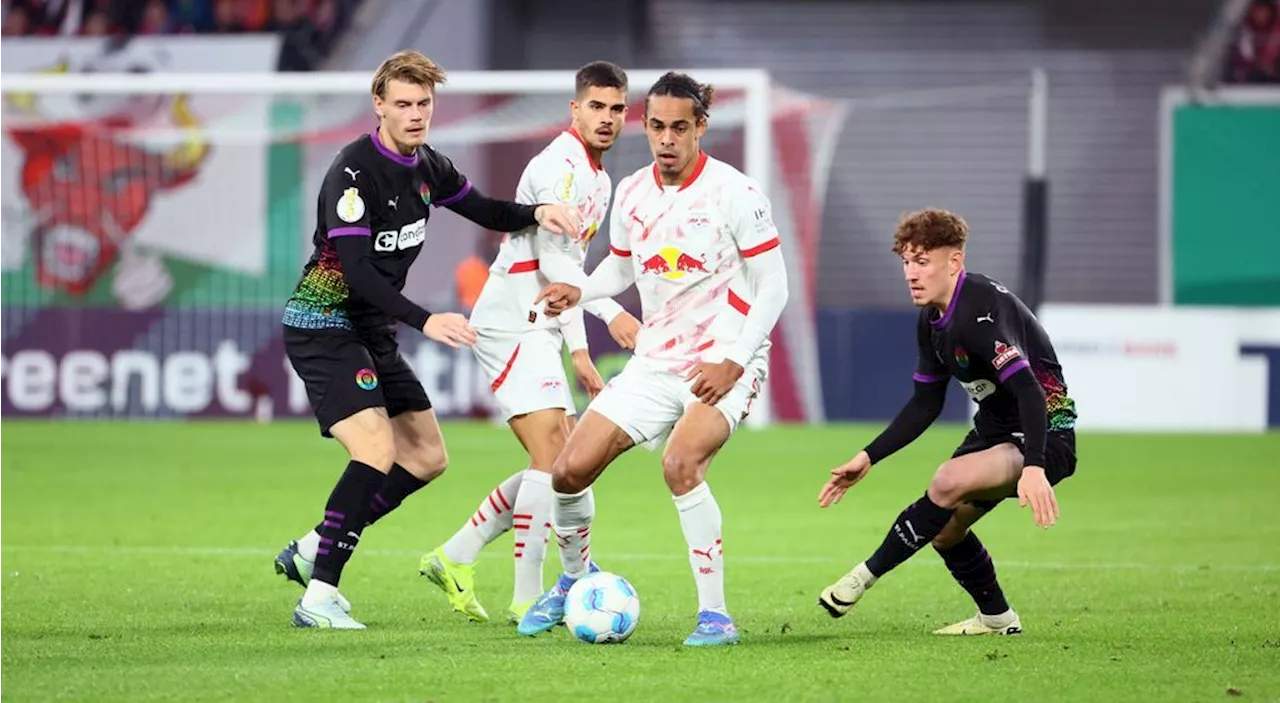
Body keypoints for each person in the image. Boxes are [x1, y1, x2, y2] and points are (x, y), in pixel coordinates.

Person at [272, 50, 580, 630]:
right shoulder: (353, 173)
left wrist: (539, 212)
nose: (416, 115)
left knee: (427, 456)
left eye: (424, 104)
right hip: (324, 324)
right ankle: (319, 596)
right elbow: (358, 270)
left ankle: (318, 544)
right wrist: (426, 320)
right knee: (375, 451)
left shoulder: (428, 167)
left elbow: (486, 210)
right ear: (379, 106)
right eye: (404, 105)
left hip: (372, 331)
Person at [522, 71, 790, 646]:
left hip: (721, 360)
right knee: (567, 472)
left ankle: (715, 615)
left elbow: (774, 286)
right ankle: (573, 581)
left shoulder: (736, 193)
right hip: (654, 361)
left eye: (680, 128)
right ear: (646, 126)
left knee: (679, 463)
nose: (666, 139)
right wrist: (583, 292)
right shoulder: (633, 190)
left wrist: (736, 361)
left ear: (700, 128)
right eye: (657, 126)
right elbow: (621, 268)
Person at [418, 60, 642, 625]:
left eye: (617, 109)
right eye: (597, 106)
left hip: (540, 322)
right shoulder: (558, 167)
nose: (608, 118)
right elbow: (549, 259)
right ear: (575, 108)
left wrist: (588, 337)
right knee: (553, 461)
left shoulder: (600, 177)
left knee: (564, 460)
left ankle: (456, 554)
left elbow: (572, 266)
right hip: (514, 321)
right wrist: (602, 322)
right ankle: (527, 597)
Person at [815, 207, 1078, 636]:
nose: (910, 274)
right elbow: (925, 404)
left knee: (946, 480)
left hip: (1045, 432)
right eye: (905, 261)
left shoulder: (979, 315)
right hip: (996, 431)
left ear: (954, 262)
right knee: (946, 530)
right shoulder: (932, 320)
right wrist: (869, 456)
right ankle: (997, 618)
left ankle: (861, 577)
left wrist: (1035, 465)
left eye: (922, 261)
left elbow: (1031, 391)